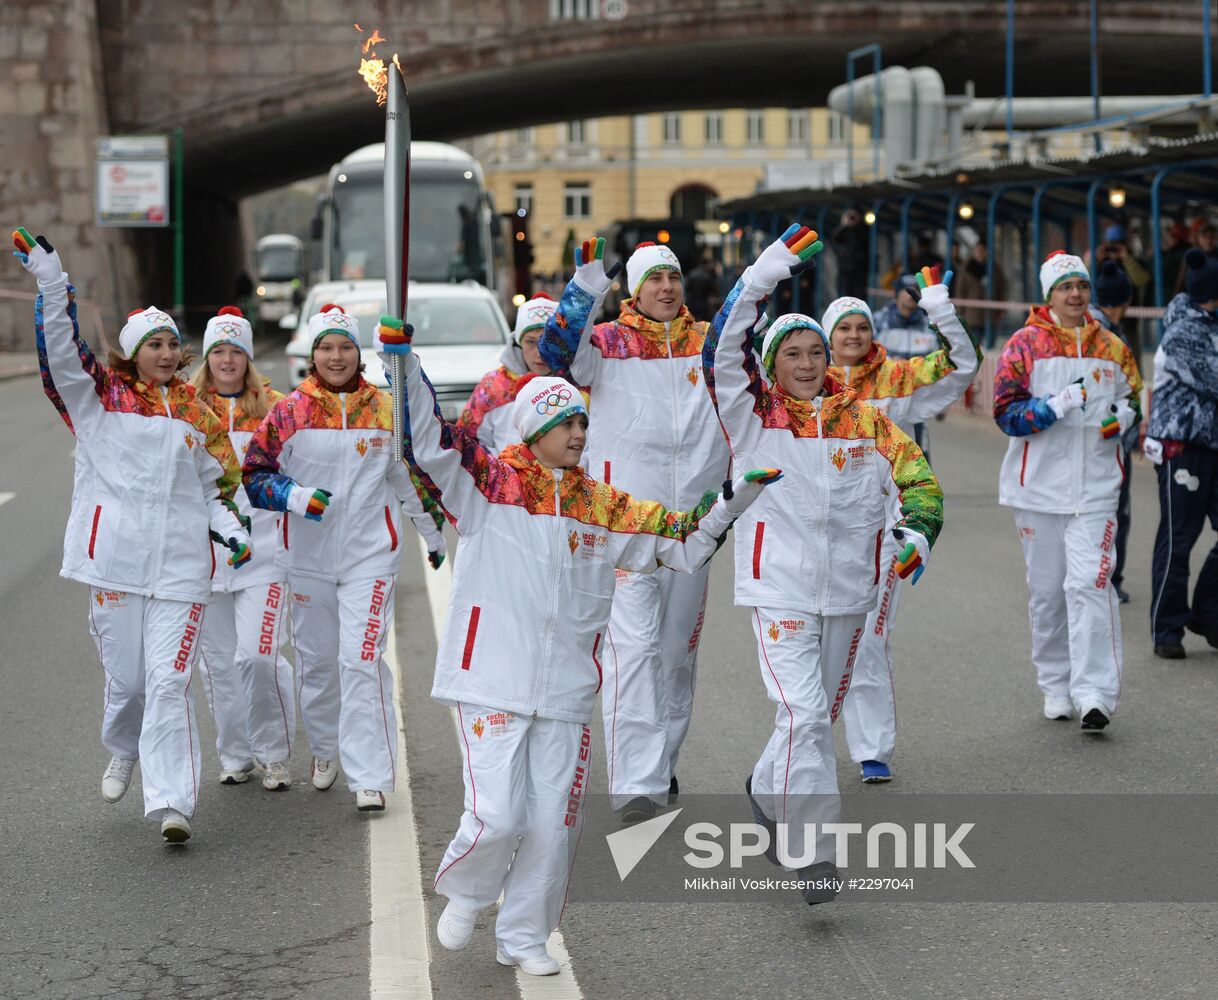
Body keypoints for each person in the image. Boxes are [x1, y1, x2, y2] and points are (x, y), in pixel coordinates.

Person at [381, 319, 776, 973]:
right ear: (534, 430)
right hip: (490, 677)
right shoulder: (489, 487)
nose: (578, 434)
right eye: (566, 424)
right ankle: (471, 888)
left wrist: (733, 500)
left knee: (552, 826)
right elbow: (431, 440)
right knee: (498, 817)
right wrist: (402, 363)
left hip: (565, 687)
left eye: (582, 425)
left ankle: (524, 937)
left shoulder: (601, 505)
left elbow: (677, 540)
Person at [704, 224, 943, 903]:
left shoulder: (862, 421)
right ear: (773, 362)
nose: (807, 364)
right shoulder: (752, 417)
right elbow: (723, 348)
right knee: (805, 717)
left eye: (816, 353)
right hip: (777, 590)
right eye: (794, 353)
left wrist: (918, 534)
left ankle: (763, 783)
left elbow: (920, 480)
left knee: (808, 721)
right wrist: (767, 272)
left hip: (848, 594)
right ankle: (811, 852)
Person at [15, 228, 250, 844]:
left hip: (180, 571)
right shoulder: (98, 398)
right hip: (114, 562)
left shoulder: (199, 417)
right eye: (155, 345)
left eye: (174, 343)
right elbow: (61, 356)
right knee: (131, 682)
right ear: (132, 353)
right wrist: (51, 283)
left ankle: (172, 803)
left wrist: (230, 530)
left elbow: (216, 488)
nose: (169, 353)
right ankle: (124, 746)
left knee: (170, 682)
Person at [539, 237, 730, 823]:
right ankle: (636, 784)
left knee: (676, 655)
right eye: (654, 280)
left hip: (692, 530)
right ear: (635, 290)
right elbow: (554, 351)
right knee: (632, 651)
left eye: (673, 278)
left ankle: (661, 761)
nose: (667, 288)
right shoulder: (606, 345)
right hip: (624, 525)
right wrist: (585, 287)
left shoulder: (708, 347)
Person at [242, 303, 446, 812]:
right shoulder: (290, 410)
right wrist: (294, 497)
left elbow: (408, 475)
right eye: (327, 348)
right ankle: (327, 748)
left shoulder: (382, 407)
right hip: (307, 559)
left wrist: (433, 534)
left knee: (361, 661)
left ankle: (370, 776)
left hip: (369, 557)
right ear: (313, 355)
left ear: (358, 353)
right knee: (318, 665)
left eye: (346, 347)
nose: (337, 357)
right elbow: (254, 475)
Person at [822, 269, 979, 782]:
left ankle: (871, 747)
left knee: (871, 634)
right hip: (820, 529)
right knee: (818, 635)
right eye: (842, 328)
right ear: (827, 336)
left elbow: (964, 362)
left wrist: (938, 305)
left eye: (861, 327)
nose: (852, 336)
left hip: (884, 527)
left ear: (873, 333)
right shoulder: (803, 384)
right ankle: (810, 734)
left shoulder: (896, 380)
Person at [993, 251, 1142, 731]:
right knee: (1047, 595)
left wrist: (1125, 419)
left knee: (1090, 585)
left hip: (1097, 490)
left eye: (1080, 285)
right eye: (1065, 287)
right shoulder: (1024, 345)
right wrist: (1052, 407)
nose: (1075, 294)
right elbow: (1006, 414)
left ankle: (1094, 692)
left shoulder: (1111, 347)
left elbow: (1133, 398)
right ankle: (1056, 684)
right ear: (1049, 295)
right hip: (1037, 492)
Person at [189, 306, 295, 789]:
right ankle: (234, 754)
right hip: (203, 559)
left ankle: (272, 753)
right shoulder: (186, 406)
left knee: (256, 657)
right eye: (218, 352)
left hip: (264, 555)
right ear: (208, 357)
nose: (227, 360)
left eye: (235, 352)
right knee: (219, 668)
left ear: (248, 358)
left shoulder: (275, 409)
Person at [1147, 249, 1218, 659]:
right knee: (1179, 539)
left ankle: (1207, 613)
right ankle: (1167, 628)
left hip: (1212, 446)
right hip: (1183, 448)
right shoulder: (1184, 332)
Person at [456, 293, 559, 452]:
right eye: (531, 342)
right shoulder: (493, 385)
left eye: (547, 342)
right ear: (518, 342)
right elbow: (465, 439)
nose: (539, 352)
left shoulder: (576, 383)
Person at [1092, 260, 1138, 604]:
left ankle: (1099, 576)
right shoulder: (1106, 336)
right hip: (1108, 438)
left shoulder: (1088, 328)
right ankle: (1108, 578)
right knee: (1114, 510)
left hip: (1097, 436)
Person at [953, 240, 1007, 333]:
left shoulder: (994, 268)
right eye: (978, 250)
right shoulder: (966, 268)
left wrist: (1001, 309)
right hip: (971, 317)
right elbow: (960, 291)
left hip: (990, 316)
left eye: (983, 250)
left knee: (991, 344)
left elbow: (1001, 288)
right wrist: (959, 313)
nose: (980, 253)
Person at [832, 208, 869, 299]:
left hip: (859, 267)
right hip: (845, 267)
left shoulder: (862, 229)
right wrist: (844, 225)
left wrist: (857, 224)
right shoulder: (845, 229)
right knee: (845, 293)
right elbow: (835, 237)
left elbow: (864, 240)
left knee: (859, 293)